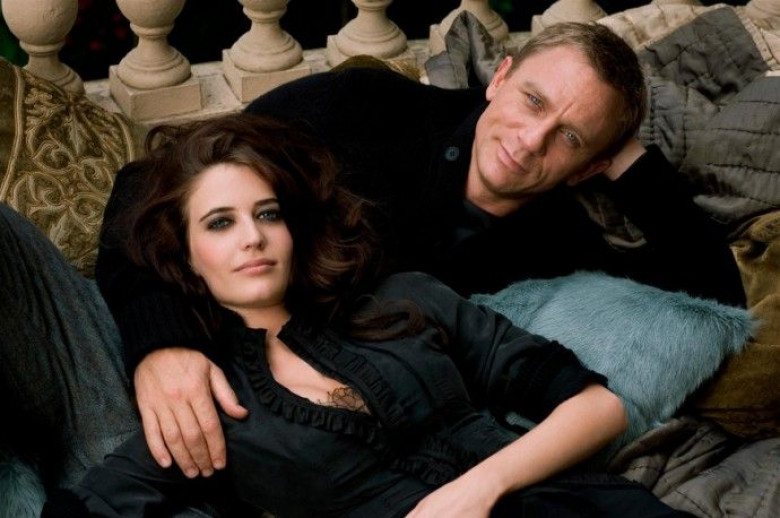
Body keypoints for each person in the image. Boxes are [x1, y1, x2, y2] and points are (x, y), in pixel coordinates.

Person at [96, 22, 748, 479]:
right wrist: (162, 345)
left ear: (590, 167)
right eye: (532, 100)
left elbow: (709, 299)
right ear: (501, 77)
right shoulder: (362, 107)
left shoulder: (557, 241)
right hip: (151, 333)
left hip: (269, 434)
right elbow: (146, 187)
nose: (529, 141)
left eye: (569, 137)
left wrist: (630, 163)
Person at [43, 112, 692, 518]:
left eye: (268, 213)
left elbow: (598, 407)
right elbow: (96, 503)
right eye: (220, 223)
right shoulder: (211, 405)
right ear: (186, 254)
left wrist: (478, 488)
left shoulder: (403, 298)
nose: (252, 238)